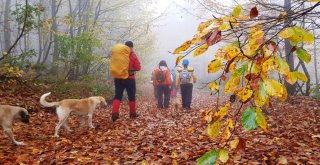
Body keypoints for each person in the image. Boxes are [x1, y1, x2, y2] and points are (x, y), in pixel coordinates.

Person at [111, 41, 141, 121]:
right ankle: (132, 113)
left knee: (117, 95)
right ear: (131, 47)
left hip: (118, 77)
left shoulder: (119, 54)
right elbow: (138, 68)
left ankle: (114, 112)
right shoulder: (133, 55)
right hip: (130, 78)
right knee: (131, 96)